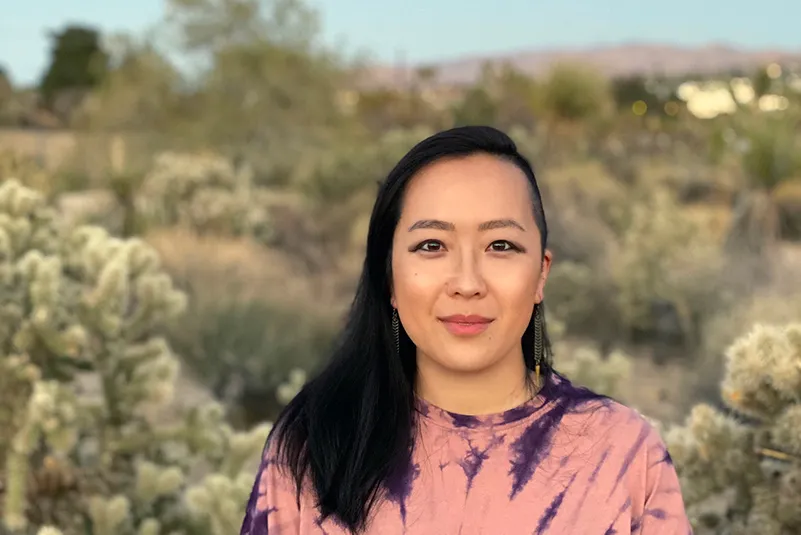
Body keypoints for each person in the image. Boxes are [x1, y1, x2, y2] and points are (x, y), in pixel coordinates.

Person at [239, 126, 693, 534]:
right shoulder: (315, 444)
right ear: (389, 277)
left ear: (540, 274)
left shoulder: (623, 455)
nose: (468, 284)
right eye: (432, 245)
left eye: (501, 245)